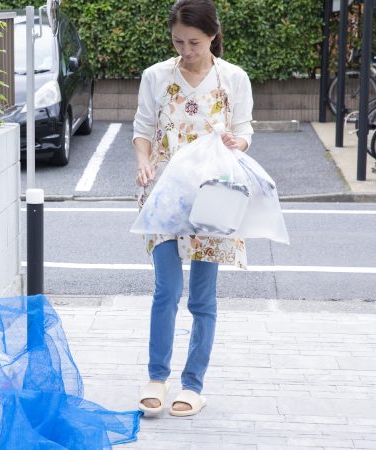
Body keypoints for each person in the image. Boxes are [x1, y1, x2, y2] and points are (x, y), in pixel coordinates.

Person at [132, 0, 253, 417]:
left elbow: (244, 128)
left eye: (195, 42)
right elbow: (143, 128)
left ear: (213, 36)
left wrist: (241, 142)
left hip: (215, 195)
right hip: (165, 192)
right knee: (167, 288)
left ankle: (193, 384)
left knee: (202, 298)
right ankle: (156, 377)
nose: (186, 49)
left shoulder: (233, 78)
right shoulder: (155, 77)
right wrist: (144, 160)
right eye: (178, 41)